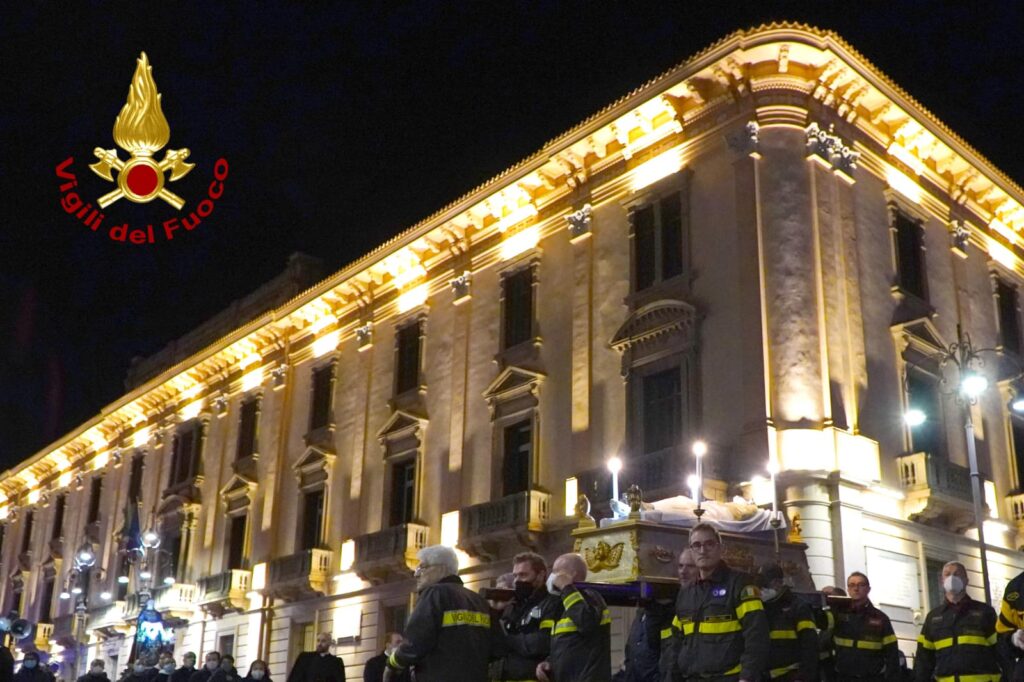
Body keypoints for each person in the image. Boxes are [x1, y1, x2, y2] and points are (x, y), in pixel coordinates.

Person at [665, 522, 768, 681]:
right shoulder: (686, 593)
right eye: (696, 545)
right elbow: (676, 643)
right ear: (691, 551)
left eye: (709, 544)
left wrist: (747, 677)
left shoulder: (740, 584)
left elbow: (757, 635)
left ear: (721, 548)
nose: (703, 550)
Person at [384, 545, 497, 681]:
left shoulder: (434, 594)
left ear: (441, 569)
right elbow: (496, 648)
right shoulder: (479, 601)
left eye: (422, 567)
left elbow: (415, 642)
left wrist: (392, 662)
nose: (416, 573)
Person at [914, 561, 1009, 681]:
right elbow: (923, 660)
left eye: (957, 574)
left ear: (966, 580)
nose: (952, 578)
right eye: (947, 574)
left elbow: (1002, 652)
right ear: (942, 581)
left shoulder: (985, 613)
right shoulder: (933, 618)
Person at [536, 552, 612, 682]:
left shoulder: (591, 597)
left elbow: (586, 622)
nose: (552, 576)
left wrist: (566, 587)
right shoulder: (564, 603)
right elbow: (568, 644)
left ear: (572, 575)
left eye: (556, 572)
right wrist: (549, 663)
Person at [493, 552, 561, 682]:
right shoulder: (513, 606)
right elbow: (495, 643)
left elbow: (541, 643)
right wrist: (496, 612)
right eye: (515, 575)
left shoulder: (552, 603)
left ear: (540, 575)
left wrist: (508, 639)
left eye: (523, 575)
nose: (517, 580)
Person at [832, 572, 899, 681]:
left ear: (868, 589)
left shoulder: (881, 619)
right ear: (848, 589)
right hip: (842, 678)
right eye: (852, 585)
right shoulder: (837, 615)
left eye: (861, 585)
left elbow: (892, 655)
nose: (856, 588)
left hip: (872, 678)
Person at [755, 562, 817, 681]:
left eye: (764, 586)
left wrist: (804, 677)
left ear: (778, 583)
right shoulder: (758, 606)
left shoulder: (798, 607)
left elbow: (810, 647)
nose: (761, 590)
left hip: (789, 676)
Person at [816, 586, 845, 682]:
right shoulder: (821, 615)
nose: (824, 598)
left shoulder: (841, 618)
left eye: (827, 595)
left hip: (831, 664)